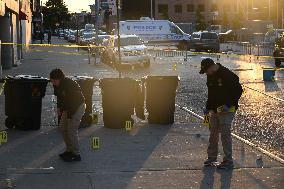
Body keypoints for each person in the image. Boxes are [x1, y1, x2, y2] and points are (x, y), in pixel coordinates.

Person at [200, 58, 243, 169]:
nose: (206, 74)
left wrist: (228, 105)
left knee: (225, 135)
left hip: (227, 110)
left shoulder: (226, 74)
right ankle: (211, 158)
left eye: (206, 71)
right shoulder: (210, 75)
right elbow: (211, 93)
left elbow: (238, 90)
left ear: (211, 67)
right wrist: (207, 109)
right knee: (213, 133)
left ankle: (228, 161)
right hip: (215, 110)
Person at [50, 69, 86, 162]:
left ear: (60, 79)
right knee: (62, 127)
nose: (53, 83)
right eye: (52, 81)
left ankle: (76, 154)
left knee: (71, 130)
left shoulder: (70, 85)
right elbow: (59, 97)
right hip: (68, 107)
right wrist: (59, 108)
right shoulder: (56, 85)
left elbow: (73, 103)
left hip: (77, 107)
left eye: (54, 81)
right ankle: (69, 149)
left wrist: (69, 117)